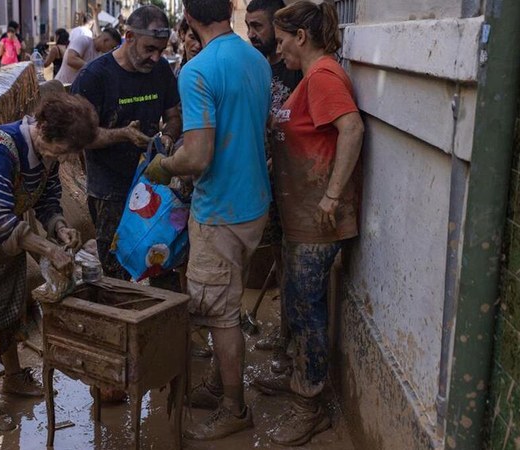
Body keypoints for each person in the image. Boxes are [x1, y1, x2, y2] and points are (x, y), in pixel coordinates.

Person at [143, 0, 272, 440]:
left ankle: (235, 407)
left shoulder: (197, 71)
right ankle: (220, 384)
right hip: (254, 202)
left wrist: (165, 165)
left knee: (220, 314)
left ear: (190, 18)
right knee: (225, 300)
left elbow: (197, 155)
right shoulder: (255, 57)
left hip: (220, 209)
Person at [0, 92, 101, 431]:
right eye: (64, 149)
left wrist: (59, 227)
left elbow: (48, 199)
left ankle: (13, 377)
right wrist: (47, 249)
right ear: (43, 128)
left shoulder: (47, 154)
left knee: (10, 304)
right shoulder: (2, 148)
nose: (65, 157)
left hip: (7, 236)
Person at [251, 1, 364, 446]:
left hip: (319, 218)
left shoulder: (321, 77)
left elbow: (351, 129)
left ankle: (309, 405)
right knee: (299, 302)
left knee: (308, 310)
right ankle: (301, 377)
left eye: (281, 40)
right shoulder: (311, 77)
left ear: (301, 37)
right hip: (302, 216)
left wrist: (333, 195)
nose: (278, 50)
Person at [71, 5, 181, 285]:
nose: (155, 57)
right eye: (149, 49)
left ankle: (162, 323)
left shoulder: (161, 72)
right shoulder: (94, 76)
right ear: (128, 36)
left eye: (161, 49)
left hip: (153, 184)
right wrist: (123, 135)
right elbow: (78, 137)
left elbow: (173, 115)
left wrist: (167, 135)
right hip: (110, 191)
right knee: (117, 270)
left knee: (162, 263)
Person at [245, 0, 304, 375]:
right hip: (269, 181)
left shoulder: (297, 70)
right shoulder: (259, 67)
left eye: (259, 27)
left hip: (295, 184)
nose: (252, 34)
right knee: (280, 259)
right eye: (248, 26)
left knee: (294, 266)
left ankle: (293, 346)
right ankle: (284, 335)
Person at [54, 27, 121, 84]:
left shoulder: (101, 55)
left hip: (74, 91)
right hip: (62, 86)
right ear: (105, 40)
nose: (111, 50)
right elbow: (71, 59)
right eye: (112, 47)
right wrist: (94, 68)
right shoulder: (83, 40)